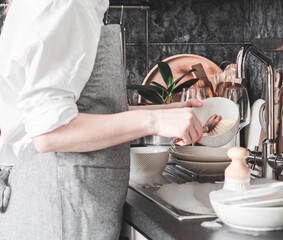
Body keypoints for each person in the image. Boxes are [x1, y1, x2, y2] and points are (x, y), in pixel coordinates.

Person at [0, 0, 203, 239]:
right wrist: (154, 121)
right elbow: (50, 133)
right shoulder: (69, 3)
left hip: (64, 199)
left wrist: (167, 112)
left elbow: (75, 112)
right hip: (59, 206)